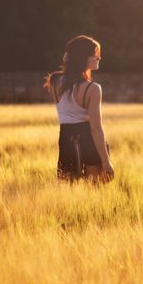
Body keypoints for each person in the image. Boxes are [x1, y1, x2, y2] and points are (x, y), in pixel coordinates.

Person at [44, 35, 114, 182]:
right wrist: (106, 162)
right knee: (93, 195)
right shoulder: (93, 88)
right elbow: (96, 128)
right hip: (89, 141)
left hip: (66, 142)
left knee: (68, 193)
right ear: (82, 58)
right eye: (95, 55)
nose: (99, 58)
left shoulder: (55, 82)